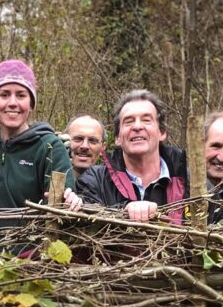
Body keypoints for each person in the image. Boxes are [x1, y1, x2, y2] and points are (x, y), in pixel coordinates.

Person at [0, 59, 81, 212]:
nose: (12, 103)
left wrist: (69, 200)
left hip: (27, 236)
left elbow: (63, 205)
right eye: (4, 95)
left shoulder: (49, 148)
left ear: (31, 104)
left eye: (21, 95)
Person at [75, 90, 188, 223]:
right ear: (117, 138)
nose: (137, 126)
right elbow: (87, 225)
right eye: (128, 122)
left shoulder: (190, 183)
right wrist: (124, 210)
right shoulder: (94, 181)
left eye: (146, 120)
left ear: (162, 132)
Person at [65, 115, 106, 179]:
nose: (85, 146)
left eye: (92, 140)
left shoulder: (111, 186)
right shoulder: (47, 179)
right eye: (78, 139)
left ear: (102, 148)